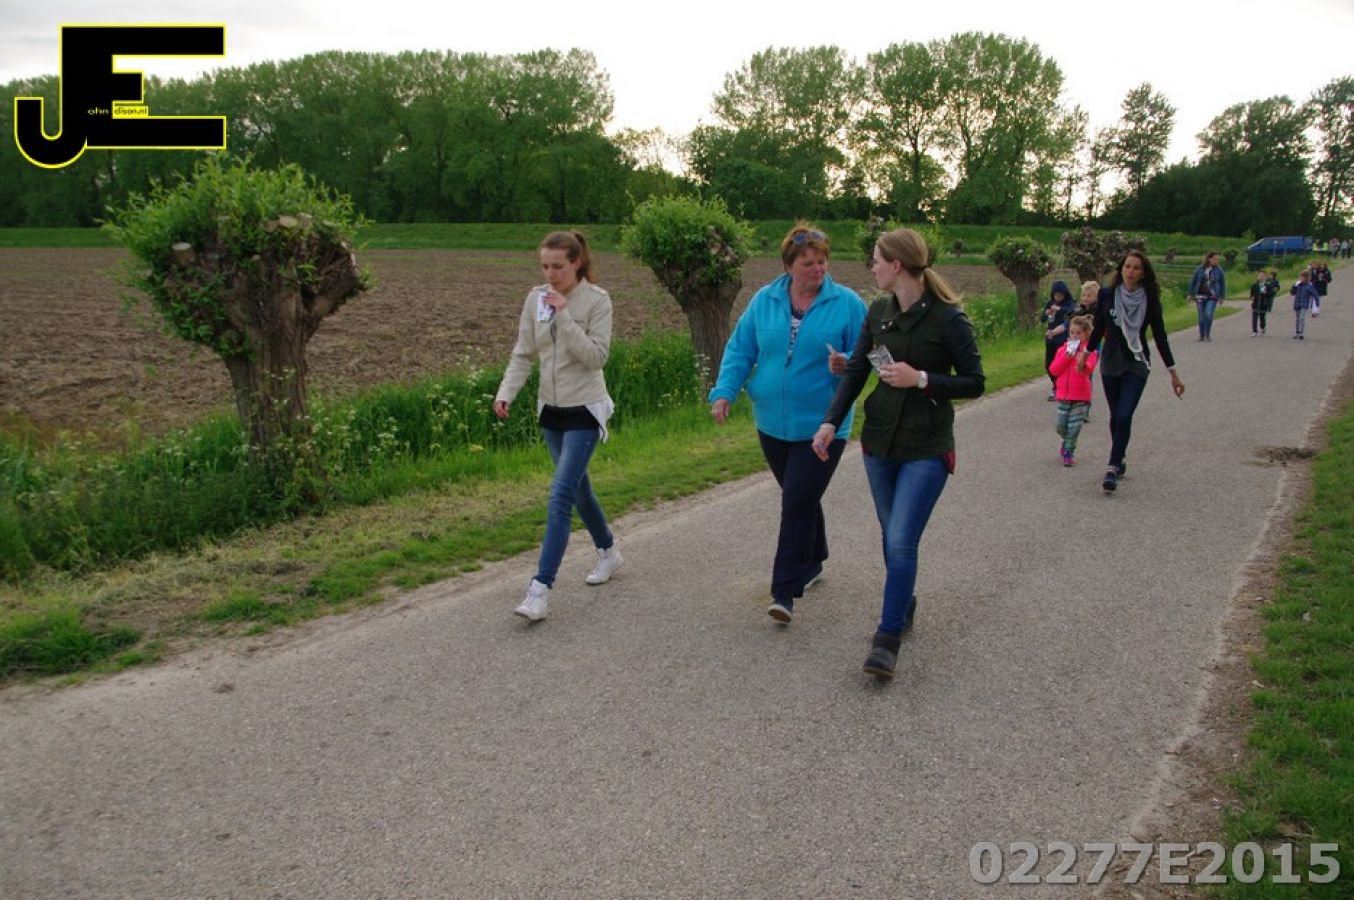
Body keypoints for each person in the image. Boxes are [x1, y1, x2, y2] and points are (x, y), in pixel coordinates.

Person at [811, 227, 985, 679]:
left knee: (902, 541)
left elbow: (975, 381)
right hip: (879, 444)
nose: (871, 267)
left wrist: (921, 379)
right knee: (892, 536)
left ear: (897, 265)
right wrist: (830, 422)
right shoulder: (879, 312)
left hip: (926, 448)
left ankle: (886, 640)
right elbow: (856, 373)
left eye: (876, 260)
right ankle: (902, 601)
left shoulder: (949, 319)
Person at [708, 223, 867, 623]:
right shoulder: (765, 300)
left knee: (796, 500)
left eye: (822, 261)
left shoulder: (847, 303)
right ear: (788, 266)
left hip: (824, 424)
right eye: (808, 262)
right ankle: (814, 558)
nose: (817, 269)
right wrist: (724, 392)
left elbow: (871, 353)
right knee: (802, 496)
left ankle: (783, 591)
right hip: (771, 424)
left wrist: (847, 362)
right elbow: (741, 349)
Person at [494, 231, 622, 622]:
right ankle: (608, 550)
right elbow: (523, 353)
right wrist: (506, 393)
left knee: (561, 496)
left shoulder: (597, 301)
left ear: (577, 262)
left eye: (558, 267)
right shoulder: (535, 299)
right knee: (579, 490)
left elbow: (596, 358)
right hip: (550, 410)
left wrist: (564, 315)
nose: (550, 275)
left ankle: (540, 590)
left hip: (585, 409)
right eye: (544, 266)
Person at [1087, 251, 1186, 493]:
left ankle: (1112, 467)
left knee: (1124, 415)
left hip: (1136, 362)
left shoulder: (1149, 299)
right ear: (1121, 269)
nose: (1130, 272)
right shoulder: (1107, 295)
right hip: (1111, 362)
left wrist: (1173, 373)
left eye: (1136, 268)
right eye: (1127, 267)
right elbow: (1099, 327)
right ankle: (1119, 456)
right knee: (1115, 415)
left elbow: (1160, 336)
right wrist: (1085, 353)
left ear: (1143, 273)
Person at [1049, 315, 1098, 466]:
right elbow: (1054, 370)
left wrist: (1081, 360)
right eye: (1072, 332)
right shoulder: (1062, 350)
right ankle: (1066, 441)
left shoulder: (1090, 351)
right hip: (1063, 395)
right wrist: (1067, 356)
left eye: (1078, 333)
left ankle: (1069, 451)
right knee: (1061, 426)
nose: (1075, 336)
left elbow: (1088, 370)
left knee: (1074, 426)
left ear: (1086, 334)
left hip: (1081, 396)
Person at [1041, 280, 1076, 400]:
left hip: (1063, 339)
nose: (1058, 298)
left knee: (1061, 365)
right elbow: (1042, 319)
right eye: (1055, 295)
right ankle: (1057, 385)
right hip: (1051, 338)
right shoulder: (1050, 303)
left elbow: (1072, 312)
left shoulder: (1070, 303)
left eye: (1060, 295)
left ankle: (1059, 388)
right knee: (1049, 366)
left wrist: (1059, 309)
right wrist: (1046, 313)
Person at [1187, 251, 1225, 342]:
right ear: (1209, 259)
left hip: (1213, 296)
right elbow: (1193, 281)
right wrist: (1190, 294)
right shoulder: (1200, 269)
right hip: (1200, 296)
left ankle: (1207, 334)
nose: (1216, 261)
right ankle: (1201, 335)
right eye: (1214, 259)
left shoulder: (1219, 270)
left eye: (1217, 259)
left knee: (1208, 314)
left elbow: (1222, 283)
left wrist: (1222, 296)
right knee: (1201, 317)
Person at [1291, 269, 1318, 340]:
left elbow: (1315, 294)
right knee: (1297, 319)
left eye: (1302, 277)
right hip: (1297, 304)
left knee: (1301, 318)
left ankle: (1301, 333)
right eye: (1300, 277)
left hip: (1304, 304)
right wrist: (1294, 287)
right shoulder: (1298, 285)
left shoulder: (1309, 286)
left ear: (1306, 278)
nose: (1301, 278)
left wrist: (1317, 303)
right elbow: (1292, 293)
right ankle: (1297, 332)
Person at [1249, 270, 1275, 336]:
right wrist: (1252, 297)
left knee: (1262, 318)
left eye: (1262, 276)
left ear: (1265, 277)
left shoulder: (1268, 286)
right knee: (1254, 318)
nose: (1261, 277)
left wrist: (1266, 293)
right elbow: (1251, 294)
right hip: (1255, 304)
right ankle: (1254, 331)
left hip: (1263, 305)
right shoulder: (1254, 285)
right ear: (1257, 277)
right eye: (1259, 276)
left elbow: (1271, 294)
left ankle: (1262, 328)